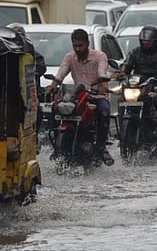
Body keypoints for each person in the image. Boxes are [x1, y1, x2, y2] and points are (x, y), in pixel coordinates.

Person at [47, 28, 114, 165]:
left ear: (87, 44)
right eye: (75, 45)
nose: (78, 48)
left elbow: (102, 72)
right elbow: (61, 74)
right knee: (55, 109)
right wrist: (52, 86)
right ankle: (56, 146)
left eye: (80, 45)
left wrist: (101, 83)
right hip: (77, 97)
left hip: (96, 96)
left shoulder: (99, 56)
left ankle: (101, 147)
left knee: (104, 111)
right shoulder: (69, 57)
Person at [114, 25, 157, 147]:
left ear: (156, 41)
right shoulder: (135, 52)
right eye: (144, 41)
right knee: (121, 100)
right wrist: (120, 73)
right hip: (138, 85)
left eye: (149, 42)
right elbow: (126, 66)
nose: (146, 44)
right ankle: (123, 134)